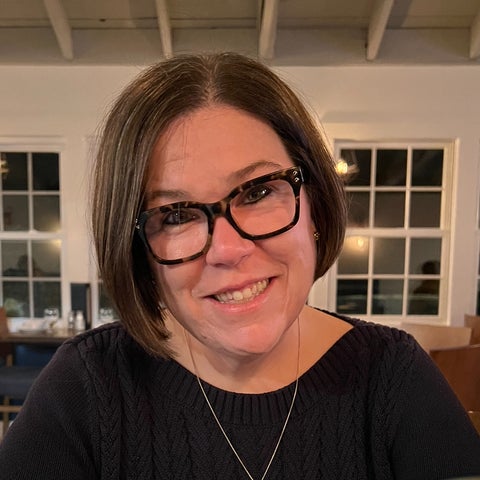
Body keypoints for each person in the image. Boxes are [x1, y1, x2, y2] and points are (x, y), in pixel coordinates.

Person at [1, 52, 479, 479]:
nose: (228, 249)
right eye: (176, 215)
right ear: (139, 252)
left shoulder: (394, 374)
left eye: (258, 191)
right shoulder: (86, 385)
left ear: (314, 204)